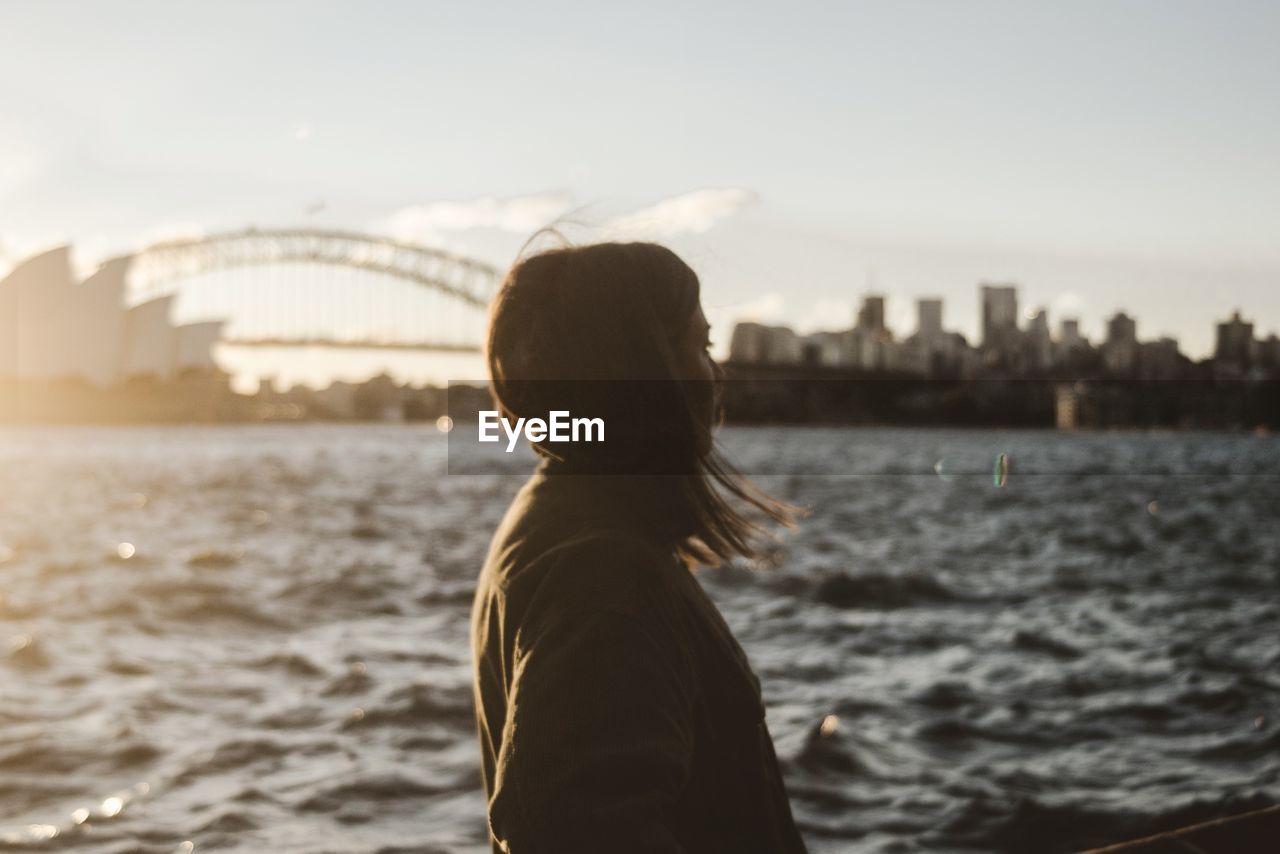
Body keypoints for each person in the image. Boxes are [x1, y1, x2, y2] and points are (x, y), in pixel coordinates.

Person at [471, 241, 809, 853]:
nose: (718, 373)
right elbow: (568, 830)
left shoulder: (553, 517)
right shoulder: (602, 571)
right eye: (700, 346)